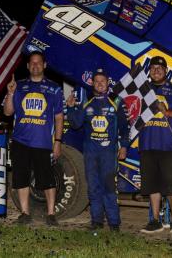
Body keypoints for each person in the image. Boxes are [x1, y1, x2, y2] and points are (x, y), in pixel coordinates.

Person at [3, 51, 63, 226]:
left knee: (47, 179)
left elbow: (59, 117)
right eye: (32, 63)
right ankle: (25, 213)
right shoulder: (19, 86)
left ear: (44, 65)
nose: (35, 65)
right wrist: (11, 94)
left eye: (39, 63)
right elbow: (8, 112)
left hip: (43, 142)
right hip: (20, 141)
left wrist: (57, 142)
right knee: (21, 178)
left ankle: (51, 214)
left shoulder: (54, 88)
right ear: (28, 66)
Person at [66, 69, 129, 232]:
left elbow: (124, 127)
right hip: (91, 153)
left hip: (109, 153)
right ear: (92, 83)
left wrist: (124, 146)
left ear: (108, 83)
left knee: (109, 187)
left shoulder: (117, 101)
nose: (100, 84)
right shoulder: (86, 100)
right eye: (97, 81)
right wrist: (71, 108)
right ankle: (97, 221)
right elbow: (76, 124)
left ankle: (114, 223)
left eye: (103, 81)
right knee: (93, 187)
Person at [139, 56, 172, 234]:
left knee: (171, 186)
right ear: (149, 71)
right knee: (152, 185)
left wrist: (167, 111)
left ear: (165, 71)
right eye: (153, 68)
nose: (156, 71)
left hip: (168, 146)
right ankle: (155, 221)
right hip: (147, 145)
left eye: (159, 68)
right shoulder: (143, 90)